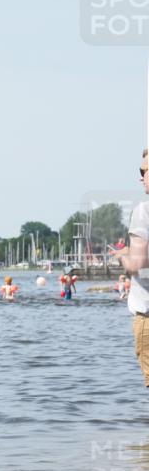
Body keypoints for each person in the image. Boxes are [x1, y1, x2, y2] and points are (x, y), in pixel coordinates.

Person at [109, 147, 149, 387]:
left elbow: (138, 265)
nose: (141, 176)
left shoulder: (144, 211)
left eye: (143, 170)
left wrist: (121, 257)